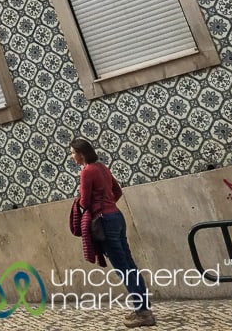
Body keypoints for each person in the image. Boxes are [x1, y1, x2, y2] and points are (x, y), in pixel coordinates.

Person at [70, 138, 156, 328]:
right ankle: (143, 307)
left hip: (104, 222)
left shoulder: (87, 171)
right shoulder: (102, 167)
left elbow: (84, 202)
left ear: (80, 154)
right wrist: (107, 204)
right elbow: (117, 191)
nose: (72, 156)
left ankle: (143, 313)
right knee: (129, 264)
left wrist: (96, 206)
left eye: (73, 153)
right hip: (117, 217)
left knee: (123, 269)